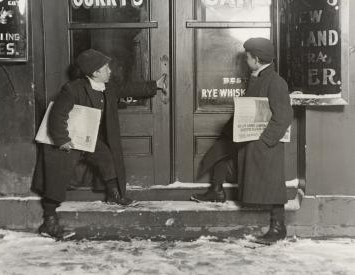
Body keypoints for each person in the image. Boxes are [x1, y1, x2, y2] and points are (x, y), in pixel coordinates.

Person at [32, 49, 166, 239]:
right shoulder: (72, 89)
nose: (110, 71)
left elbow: (128, 88)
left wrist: (155, 85)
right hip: (66, 141)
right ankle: (49, 221)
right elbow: (57, 116)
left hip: (88, 138)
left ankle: (114, 195)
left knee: (106, 157)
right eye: (105, 68)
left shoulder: (108, 87)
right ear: (95, 72)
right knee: (58, 176)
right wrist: (62, 140)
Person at [191, 37, 293, 244]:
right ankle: (216, 190)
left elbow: (283, 116)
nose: (245, 60)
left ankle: (278, 227)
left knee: (272, 182)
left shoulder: (276, 82)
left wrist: (265, 141)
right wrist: (232, 131)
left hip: (264, 143)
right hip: (248, 138)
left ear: (257, 58)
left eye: (247, 57)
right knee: (219, 151)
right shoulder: (257, 76)